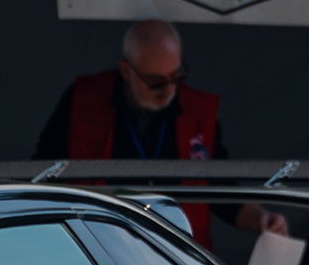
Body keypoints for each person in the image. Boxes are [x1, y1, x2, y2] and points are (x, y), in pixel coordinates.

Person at [34, 18, 220, 169]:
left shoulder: (199, 110)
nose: (169, 89)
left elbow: (223, 188)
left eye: (177, 76)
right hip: (104, 214)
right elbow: (42, 169)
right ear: (125, 70)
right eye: (156, 81)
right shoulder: (84, 100)